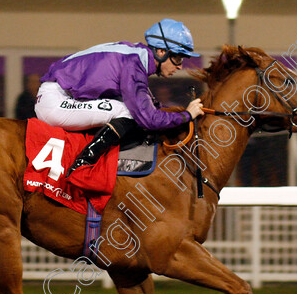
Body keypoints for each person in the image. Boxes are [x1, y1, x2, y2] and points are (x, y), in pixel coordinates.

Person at [35, 18, 205, 177]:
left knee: (123, 109)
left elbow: (148, 103)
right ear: (161, 52)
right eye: (177, 57)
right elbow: (148, 119)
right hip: (55, 101)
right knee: (127, 112)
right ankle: (83, 164)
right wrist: (187, 115)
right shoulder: (133, 63)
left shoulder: (135, 57)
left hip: (59, 96)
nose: (180, 65)